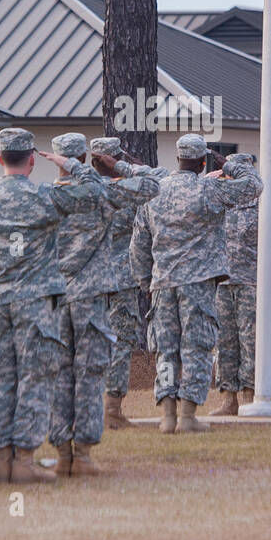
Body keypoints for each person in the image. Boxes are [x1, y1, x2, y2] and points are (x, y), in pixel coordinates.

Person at [0, 128, 105, 483]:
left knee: (0, 382)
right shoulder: (46, 196)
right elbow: (96, 194)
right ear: (33, 160)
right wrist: (72, 164)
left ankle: (1, 461)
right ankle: (24, 462)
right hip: (37, 304)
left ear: (0, 158)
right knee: (35, 381)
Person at [46, 133, 161, 476]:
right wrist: (120, 168)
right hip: (100, 285)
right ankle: (87, 445)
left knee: (58, 371)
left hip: (55, 293)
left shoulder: (44, 197)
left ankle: (61, 451)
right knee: (93, 366)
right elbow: (154, 184)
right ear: (86, 158)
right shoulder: (106, 194)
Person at [131, 135, 261, 434]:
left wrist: (144, 280)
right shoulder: (209, 188)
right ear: (204, 163)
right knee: (196, 348)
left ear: (178, 159)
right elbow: (254, 186)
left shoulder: (155, 191)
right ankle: (188, 416)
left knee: (166, 350)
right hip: (199, 284)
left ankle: (167, 415)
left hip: (162, 284)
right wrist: (230, 166)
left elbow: (139, 242)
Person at [91, 136, 155, 430]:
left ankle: (85, 405)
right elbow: (156, 180)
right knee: (120, 342)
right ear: (116, 159)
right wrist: (128, 166)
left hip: (87, 280)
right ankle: (112, 410)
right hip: (120, 279)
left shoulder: (83, 191)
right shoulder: (128, 192)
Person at [209, 152, 263, 415]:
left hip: (250, 282)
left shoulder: (261, 206)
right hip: (222, 282)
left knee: (250, 342)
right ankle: (228, 399)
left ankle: (251, 396)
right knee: (225, 343)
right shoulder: (218, 201)